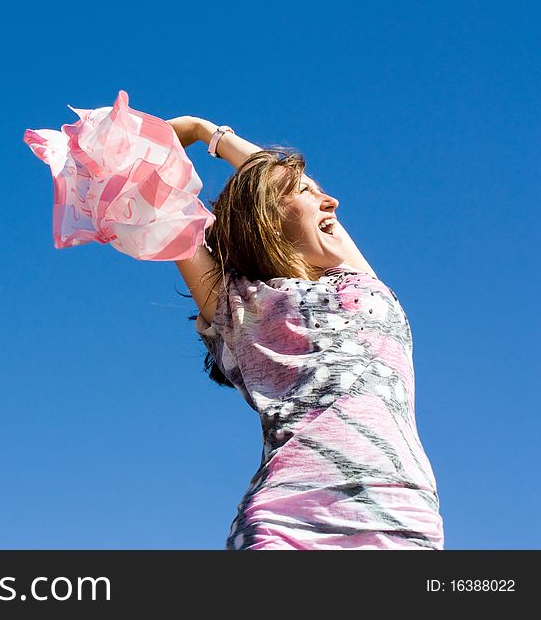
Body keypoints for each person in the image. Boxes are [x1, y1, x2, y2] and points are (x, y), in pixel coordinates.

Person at [167, 116, 444, 549]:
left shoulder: (361, 285)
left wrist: (209, 133)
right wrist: (154, 147)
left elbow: (270, 177)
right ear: (268, 220)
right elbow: (165, 213)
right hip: (286, 525)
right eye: (306, 193)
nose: (331, 201)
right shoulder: (239, 304)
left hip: (401, 518)